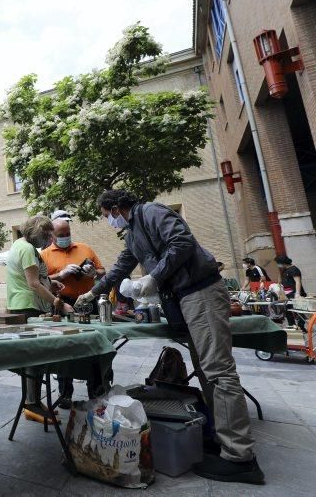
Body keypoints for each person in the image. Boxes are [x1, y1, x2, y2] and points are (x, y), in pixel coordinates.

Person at [75, 190, 264, 484]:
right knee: (204, 370)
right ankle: (221, 438)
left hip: (200, 291)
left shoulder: (151, 212)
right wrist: (92, 292)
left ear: (115, 208)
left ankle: (241, 458)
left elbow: (182, 242)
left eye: (105, 215)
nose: (107, 221)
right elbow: (121, 268)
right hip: (185, 298)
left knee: (217, 371)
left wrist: (155, 276)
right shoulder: (132, 234)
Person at [6, 216, 72, 422]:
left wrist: (50, 282)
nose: (49, 240)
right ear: (36, 233)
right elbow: (33, 283)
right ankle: (32, 405)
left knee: (34, 358)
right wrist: (59, 303)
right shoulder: (27, 249)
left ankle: (33, 401)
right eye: (46, 235)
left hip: (23, 305)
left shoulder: (20, 244)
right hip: (28, 307)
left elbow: (35, 279)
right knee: (35, 357)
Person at [40, 217, 106, 408]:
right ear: (52, 235)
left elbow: (102, 271)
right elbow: (41, 280)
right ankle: (65, 394)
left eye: (68, 233)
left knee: (94, 345)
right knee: (64, 348)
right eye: (61, 235)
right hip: (63, 303)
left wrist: (93, 272)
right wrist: (60, 274)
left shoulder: (84, 248)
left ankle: (96, 391)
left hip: (88, 301)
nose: (66, 237)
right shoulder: (44, 254)